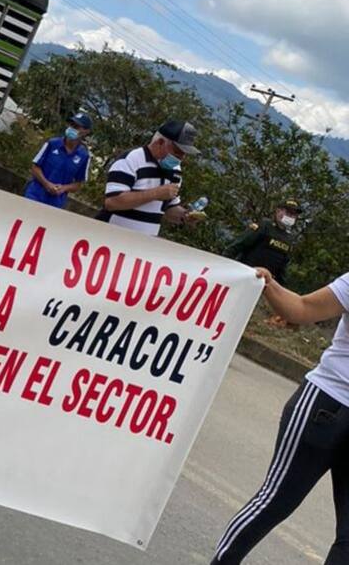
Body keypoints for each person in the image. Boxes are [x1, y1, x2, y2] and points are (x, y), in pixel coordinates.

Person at [210, 267, 349, 564]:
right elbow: (301, 309)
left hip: (328, 409)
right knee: (275, 501)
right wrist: (268, 285)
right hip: (325, 406)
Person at [99, 120, 205, 236]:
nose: (181, 157)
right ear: (160, 142)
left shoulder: (176, 170)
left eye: (184, 153)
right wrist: (155, 194)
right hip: (110, 237)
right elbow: (112, 202)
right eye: (177, 151)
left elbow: (168, 208)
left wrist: (185, 216)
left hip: (142, 244)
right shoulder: (131, 159)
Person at [24, 112, 93, 208]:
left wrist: (64, 188)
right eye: (71, 125)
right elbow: (35, 167)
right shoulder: (52, 143)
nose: (72, 128)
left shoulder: (84, 156)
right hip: (35, 195)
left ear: (86, 131)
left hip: (56, 202)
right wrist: (47, 184)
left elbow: (78, 183)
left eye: (76, 127)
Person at [225, 199, 302, 283]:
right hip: (244, 276)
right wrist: (224, 266)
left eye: (293, 214)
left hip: (264, 284)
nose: (290, 216)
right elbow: (238, 245)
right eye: (288, 213)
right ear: (278, 211)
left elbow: (282, 268)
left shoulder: (289, 239)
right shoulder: (265, 226)